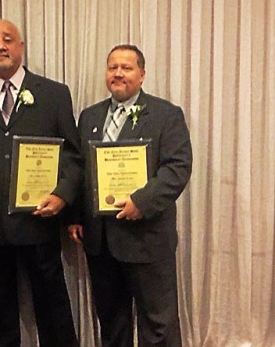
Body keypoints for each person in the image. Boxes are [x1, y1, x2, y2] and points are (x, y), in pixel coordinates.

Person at [0, 20, 82, 347]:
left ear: (21, 47)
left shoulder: (54, 94)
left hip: (40, 220)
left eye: (8, 39)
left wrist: (63, 196)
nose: (0, 46)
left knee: (53, 307)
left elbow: (72, 155)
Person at [69, 44, 192, 346]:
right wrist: (75, 217)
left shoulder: (166, 115)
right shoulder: (89, 116)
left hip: (147, 237)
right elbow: (80, 171)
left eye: (127, 67)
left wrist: (142, 201)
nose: (118, 73)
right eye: (113, 67)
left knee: (158, 324)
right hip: (101, 242)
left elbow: (177, 168)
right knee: (112, 321)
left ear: (142, 74)